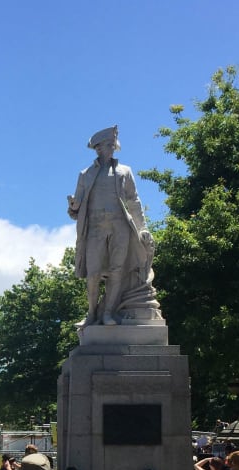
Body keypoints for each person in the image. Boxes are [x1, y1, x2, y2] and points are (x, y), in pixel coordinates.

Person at [67, 125, 160, 326]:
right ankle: (92, 314)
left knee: (117, 270)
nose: (111, 148)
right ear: (98, 148)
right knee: (93, 273)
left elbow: (133, 201)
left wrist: (142, 227)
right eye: (107, 145)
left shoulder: (124, 171)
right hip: (95, 228)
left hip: (120, 226)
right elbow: (77, 208)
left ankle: (108, 313)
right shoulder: (86, 174)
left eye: (112, 144)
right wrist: (73, 206)